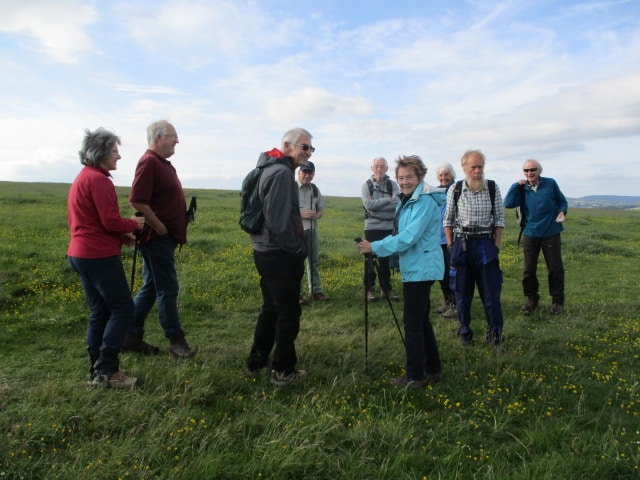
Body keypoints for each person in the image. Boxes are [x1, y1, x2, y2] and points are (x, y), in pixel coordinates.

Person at [357, 155, 445, 388]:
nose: (404, 181)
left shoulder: (423, 202)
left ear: (420, 177)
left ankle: (415, 377)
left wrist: (374, 246)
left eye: (409, 177)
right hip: (417, 267)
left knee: (413, 323)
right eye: (401, 177)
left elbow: (407, 238)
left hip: (420, 269)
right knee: (421, 320)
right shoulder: (408, 200)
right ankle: (433, 369)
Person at [67, 128, 145, 388]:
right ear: (100, 153)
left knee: (99, 311)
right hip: (98, 255)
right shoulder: (99, 181)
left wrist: (120, 237)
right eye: (114, 151)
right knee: (123, 308)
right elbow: (110, 221)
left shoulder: (83, 177)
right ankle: (108, 370)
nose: (119, 156)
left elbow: (92, 222)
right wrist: (133, 224)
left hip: (81, 253)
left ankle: (96, 368)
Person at [245, 127, 313, 386]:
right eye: (303, 147)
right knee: (288, 312)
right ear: (287, 145)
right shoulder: (283, 174)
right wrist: (297, 249)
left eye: (310, 148)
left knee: (271, 308)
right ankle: (283, 370)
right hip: (279, 253)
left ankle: (257, 361)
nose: (307, 153)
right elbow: (279, 222)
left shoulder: (267, 168)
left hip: (263, 249)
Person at [122, 120, 195, 358]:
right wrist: (159, 225)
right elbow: (136, 200)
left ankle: (130, 335)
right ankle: (176, 341)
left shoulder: (160, 163)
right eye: (173, 136)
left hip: (163, 238)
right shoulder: (149, 162)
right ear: (158, 137)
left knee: (152, 287)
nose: (177, 141)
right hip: (156, 239)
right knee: (167, 288)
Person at [443, 150, 506, 349]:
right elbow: (448, 219)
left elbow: (499, 220)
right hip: (462, 244)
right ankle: (464, 332)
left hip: (485, 244)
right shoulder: (456, 189)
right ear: (464, 168)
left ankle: (495, 335)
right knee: (462, 293)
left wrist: (495, 246)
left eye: (480, 167)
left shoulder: (493, 188)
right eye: (474, 167)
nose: (477, 171)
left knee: (491, 293)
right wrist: (451, 245)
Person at [503, 159, 568, 315]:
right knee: (529, 270)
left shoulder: (550, 184)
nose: (529, 173)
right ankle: (532, 299)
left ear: (539, 170)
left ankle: (557, 302)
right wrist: (515, 186)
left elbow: (562, 202)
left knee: (555, 268)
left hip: (551, 232)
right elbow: (508, 203)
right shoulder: (522, 188)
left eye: (533, 170)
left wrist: (562, 212)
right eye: (526, 170)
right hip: (530, 233)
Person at [361, 157, 400, 301]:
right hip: (372, 228)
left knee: (385, 260)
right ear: (372, 168)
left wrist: (378, 204)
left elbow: (397, 202)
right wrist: (387, 200)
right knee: (370, 259)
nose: (379, 169)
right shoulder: (367, 185)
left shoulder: (393, 184)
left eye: (382, 166)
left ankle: (386, 289)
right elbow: (368, 206)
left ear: (387, 168)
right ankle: (369, 289)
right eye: (376, 166)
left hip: (388, 227)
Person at [297, 161, 329, 303]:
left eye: (310, 173)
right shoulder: (291, 188)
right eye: (305, 172)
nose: (307, 175)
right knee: (296, 263)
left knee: (313, 262)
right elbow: (285, 210)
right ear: (299, 173)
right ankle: (296, 294)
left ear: (314, 174)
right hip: (296, 231)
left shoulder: (315, 189)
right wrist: (301, 214)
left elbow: (321, 210)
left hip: (312, 230)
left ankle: (315, 291)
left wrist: (317, 215)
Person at [435, 163, 457, 319]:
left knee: (453, 273)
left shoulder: (457, 190)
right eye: (441, 175)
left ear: (452, 175)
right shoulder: (436, 192)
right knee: (441, 274)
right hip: (437, 240)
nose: (444, 178)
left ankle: (456, 305)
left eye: (446, 174)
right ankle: (447, 302)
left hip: (452, 239)